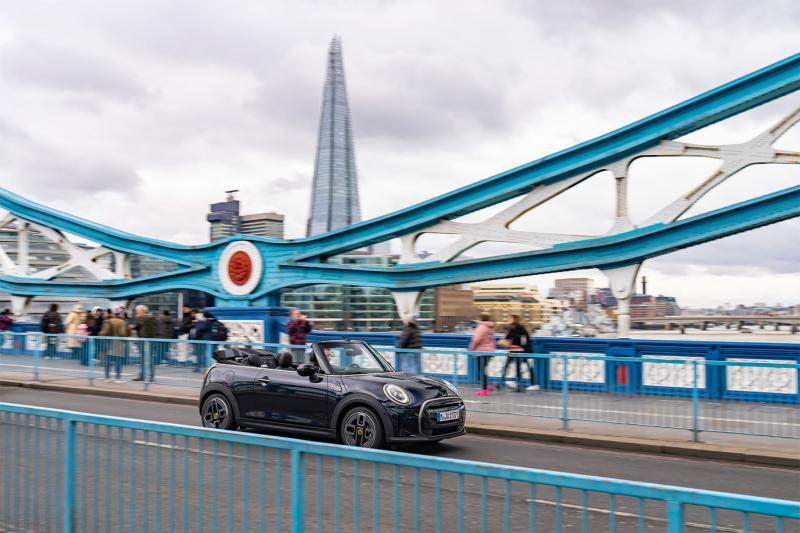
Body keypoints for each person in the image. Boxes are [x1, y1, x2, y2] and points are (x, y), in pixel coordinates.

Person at [500, 315, 538, 392]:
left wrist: (513, 343)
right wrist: (503, 342)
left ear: (515, 320)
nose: (508, 320)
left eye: (510, 318)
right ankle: (507, 382)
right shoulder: (511, 329)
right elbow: (506, 338)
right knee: (508, 366)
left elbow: (524, 342)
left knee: (526, 367)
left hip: (524, 351)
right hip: (513, 351)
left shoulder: (521, 329)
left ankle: (531, 384)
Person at [469, 314, 497, 396]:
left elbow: (476, 339)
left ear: (480, 319)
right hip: (489, 351)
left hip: (481, 352)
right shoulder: (490, 328)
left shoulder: (481, 327)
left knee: (482, 371)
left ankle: (484, 390)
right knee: (484, 370)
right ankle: (487, 385)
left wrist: (471, 349)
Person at [99, 307, 128, 382]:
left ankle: (107, 377)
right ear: (120, 314)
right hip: (118, 343)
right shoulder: (122, 322)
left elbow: (105, 332)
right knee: (118, 361)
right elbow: (122, 333)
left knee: (108, 360)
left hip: (109, 342)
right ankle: (118, 378)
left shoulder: (109, 321)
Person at [132, 304, 158, 382]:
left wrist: (148, 340)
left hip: (148, 342)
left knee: (149, 359)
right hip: (142, 341)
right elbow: (138, 328)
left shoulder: (149, 318)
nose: (136, 312)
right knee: (142, 359)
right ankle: (142, 376)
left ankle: (151, 376)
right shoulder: (140, 319)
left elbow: (151, 331)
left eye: (137, 311)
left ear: (143, 311)